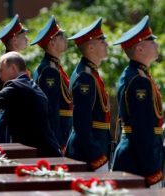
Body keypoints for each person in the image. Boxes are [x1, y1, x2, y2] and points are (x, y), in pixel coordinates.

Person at [112, 15, 163, 187]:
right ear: (140, 49)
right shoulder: (138, 80)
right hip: (139, 160)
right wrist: (150, 169)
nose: (156, 45)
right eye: (151, 41)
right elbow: (142, 127)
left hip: (135, 155)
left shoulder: (135, 75)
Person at [65, 18, 111, 171]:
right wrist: (96, 156)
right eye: (101, 40)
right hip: (88, 153)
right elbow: (81, 123)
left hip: (95, 147)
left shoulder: (90, 73)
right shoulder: (85, 77)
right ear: (91, 48)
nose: (106, 43)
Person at [31, 16, 72, 154]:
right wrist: (58, 141)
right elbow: (51, 109)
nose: (65, 39)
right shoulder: (49, 70)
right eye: (61, 37)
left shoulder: (52, 67)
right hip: (57, 134)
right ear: (52, 43)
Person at [0, 14, 28, 142]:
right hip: (10, 125)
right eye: (23, 36)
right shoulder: (8, 66)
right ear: (14, 40)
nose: (27, 39)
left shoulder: (14, 62)